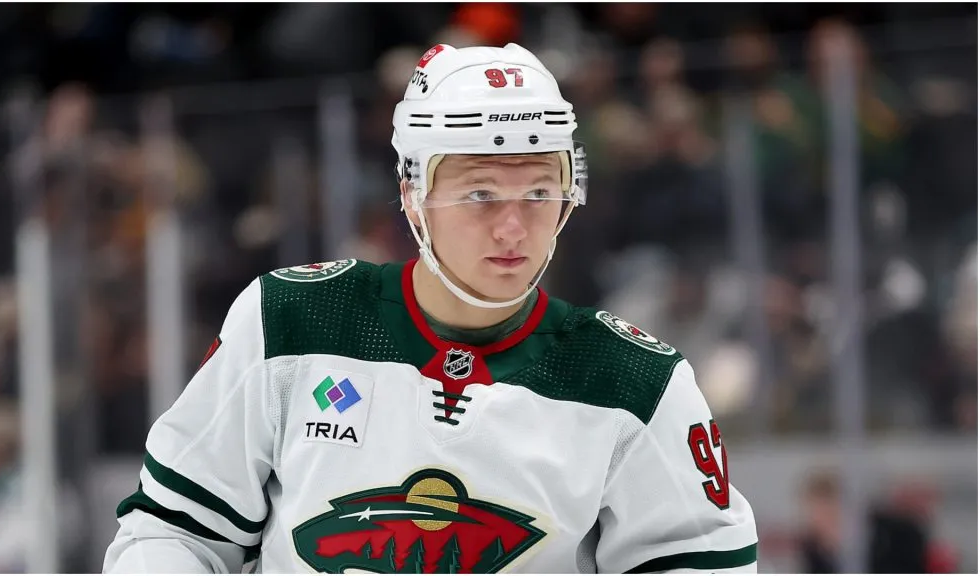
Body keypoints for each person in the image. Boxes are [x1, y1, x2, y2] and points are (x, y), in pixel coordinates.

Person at [104, 43, 758, 573]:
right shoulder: (293, 321)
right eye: (479, 194)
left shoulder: (634, 382)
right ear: (412, 196)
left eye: (538, 191)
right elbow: (173, 533)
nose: (512, 228)